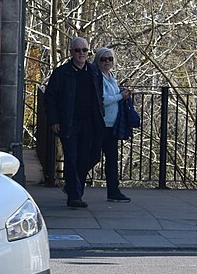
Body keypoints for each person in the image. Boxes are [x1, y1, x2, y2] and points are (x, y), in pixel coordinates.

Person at [43, 36, 105, 208]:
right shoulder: (61, 73)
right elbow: (50, 98)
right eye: (77, 50)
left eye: (84, 50)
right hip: (68, 121)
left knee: (90, 157)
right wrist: (54, 120)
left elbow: (99, 97)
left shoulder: (94, 72)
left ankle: (72, 187)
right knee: (71, 157)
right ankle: (74, 196)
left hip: (90, 123)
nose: (81, 54)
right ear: (71, 52)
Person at [93, 47, 131, 203]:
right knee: (92, 156)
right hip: (101, 123)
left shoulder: (111, 76)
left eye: (110, 59)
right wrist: (119, 96)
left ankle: (113, 191)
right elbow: (102, 100)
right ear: (98, 61)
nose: (107, 62)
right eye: (103, 59)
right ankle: (73, 183)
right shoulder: (98, 77)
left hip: (112, 124)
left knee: (112, 158)